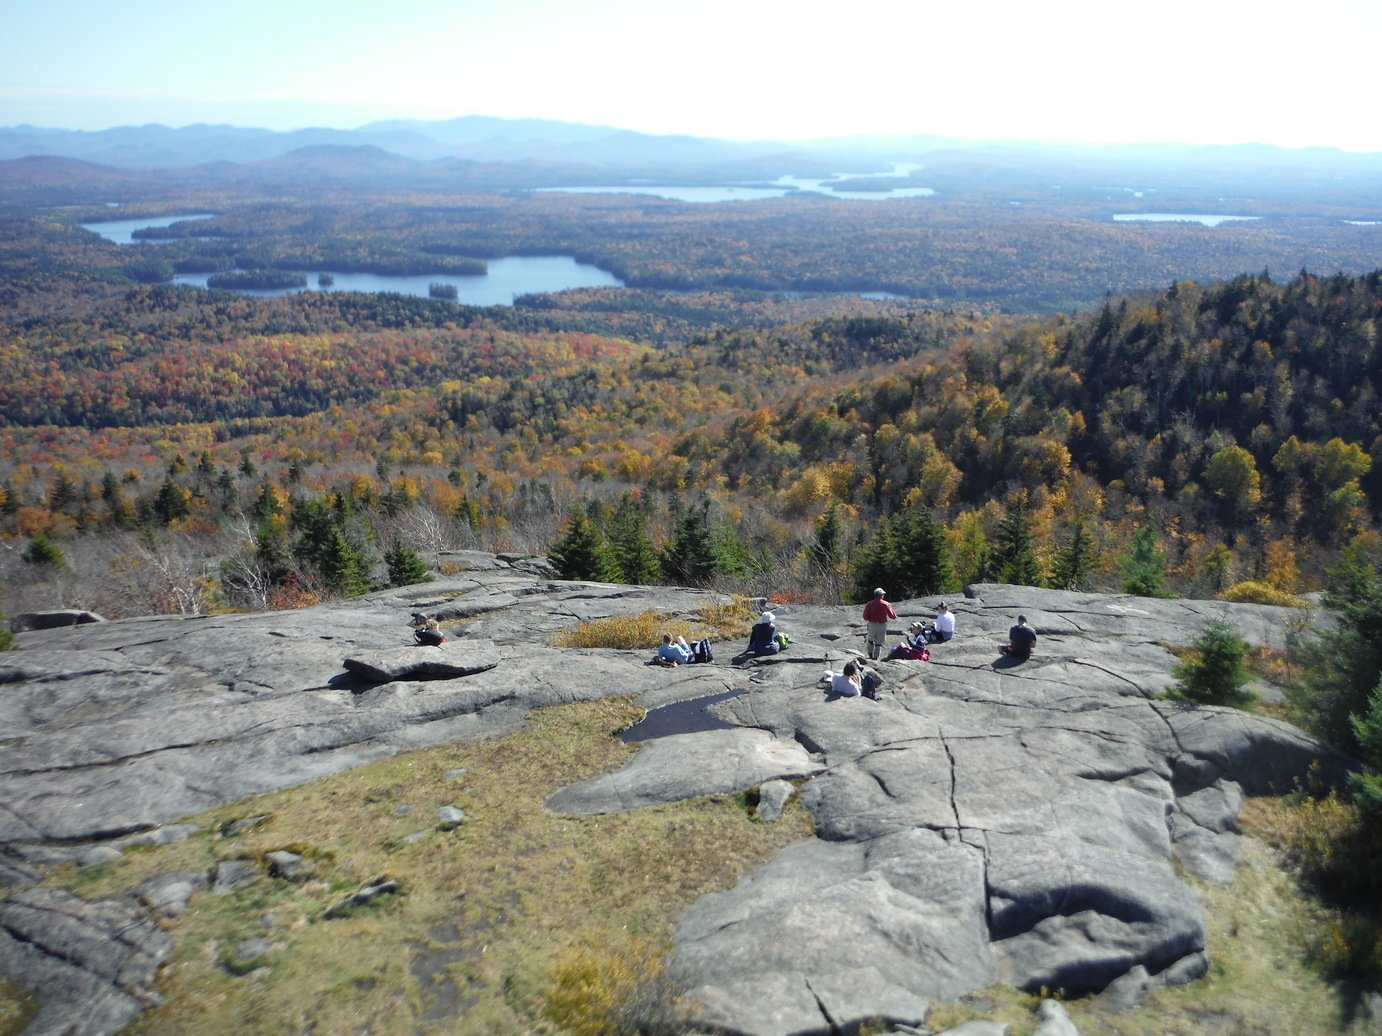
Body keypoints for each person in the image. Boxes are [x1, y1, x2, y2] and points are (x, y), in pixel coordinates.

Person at [862, 588, 898, 660]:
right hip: (882, 625)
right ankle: (875, 658)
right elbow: (893, 616)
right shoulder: (886, 604)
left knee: (870, 640)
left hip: (872, 624)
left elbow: (865, 617)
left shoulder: (869, 604)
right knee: (878, 643)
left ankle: (870, 654)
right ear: (881, 595)